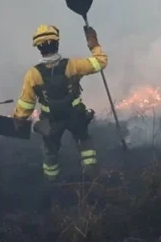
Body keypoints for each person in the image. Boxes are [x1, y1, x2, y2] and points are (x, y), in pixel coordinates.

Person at [12, 24, 107, 180]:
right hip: (75, 115)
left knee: (50, 151)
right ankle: (92, 175)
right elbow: (100, 62)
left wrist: (19, 119)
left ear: (39, 48)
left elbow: (26, 103)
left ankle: (52, 181)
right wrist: (93, 43)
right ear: (57, 43)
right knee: (84, 142)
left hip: (51, 121)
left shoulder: (32, 75)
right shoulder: (73, 65)